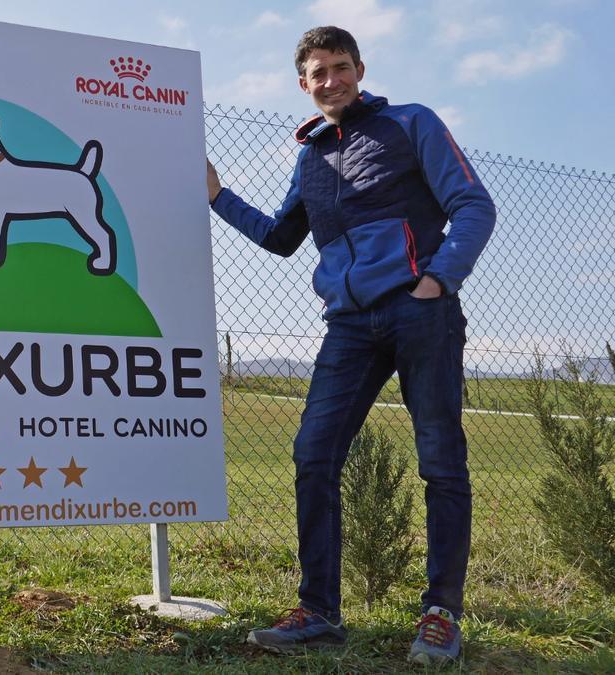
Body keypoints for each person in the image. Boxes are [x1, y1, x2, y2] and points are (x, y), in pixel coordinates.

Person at [207, 26, 495, 665]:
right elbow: (283, 237)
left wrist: (438, 279)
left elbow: (473, 204)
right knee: (313, 453)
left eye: (341, 67)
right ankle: (319, 612)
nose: (330, 80)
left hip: (422, 313)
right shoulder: (310, 156)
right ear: (302, 83)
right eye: (318, 71)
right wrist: (218, 196)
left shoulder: (409, 123)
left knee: (440, 461)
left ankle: (441, 614)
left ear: (359, 70)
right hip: (349, 326)